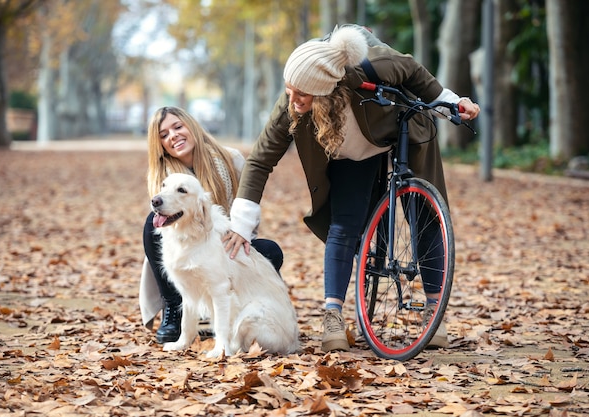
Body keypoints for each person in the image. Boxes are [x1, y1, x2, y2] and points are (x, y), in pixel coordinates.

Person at [223, 25, 480, 352]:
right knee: (344, 225)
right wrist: (242, 224)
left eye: (301, 92)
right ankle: (332, 315)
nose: (293, 98)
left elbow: (414, 72)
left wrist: (452, 103)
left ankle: (434, 311)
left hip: (399, 127)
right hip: (348, 151)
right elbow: (260, 160)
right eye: (289, 90)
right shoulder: (292, 105)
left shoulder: (376, 65)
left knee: (424, 215)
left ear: (324, 90)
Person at [139, 106, 283, 344]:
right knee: (151, 225)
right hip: (184, 248)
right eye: (163, 135)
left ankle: (240, 311)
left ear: (191, 126)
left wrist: (239, 233)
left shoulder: (231, 159)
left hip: (224, 242)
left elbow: (248, 205)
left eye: (177, 127)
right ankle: (173, 309)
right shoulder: (163, 174)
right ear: (160, 144)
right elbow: (169, 228)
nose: (173, 136)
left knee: (270, 251)